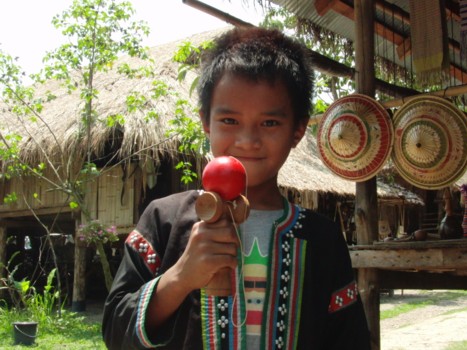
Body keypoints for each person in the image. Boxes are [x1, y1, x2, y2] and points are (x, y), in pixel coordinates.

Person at [102, 27, 371, 349]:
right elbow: (115, 332)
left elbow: (349, 339)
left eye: (269, 122)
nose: (247, 141)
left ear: (298, 130)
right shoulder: (164, 219)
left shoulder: (322, 239)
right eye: (229, 121)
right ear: (206, 122)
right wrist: (181, 276)